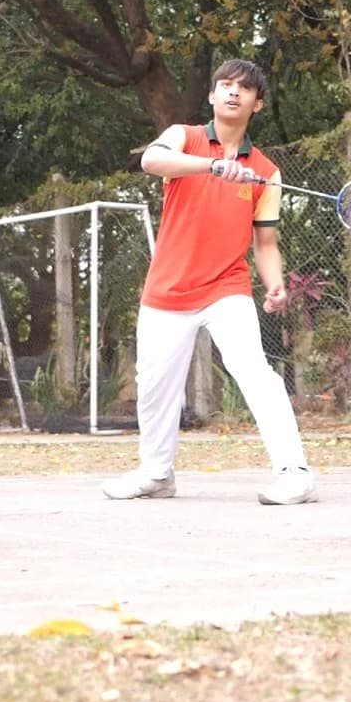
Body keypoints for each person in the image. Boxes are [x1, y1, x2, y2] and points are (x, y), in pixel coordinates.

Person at [101, 58, 317, 506]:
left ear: (257, 104)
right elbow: (150, 159)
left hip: (227, 287)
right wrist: (211, 166)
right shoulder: (185, 137)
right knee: (155, 384)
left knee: (254, 372)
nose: (234, 92)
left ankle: (296, 474)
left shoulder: (266, 172)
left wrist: (275, 284)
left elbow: (266, 242)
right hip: (167, 288)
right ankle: (157, 475)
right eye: (226, 85)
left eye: (245, 88)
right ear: (212, 96)